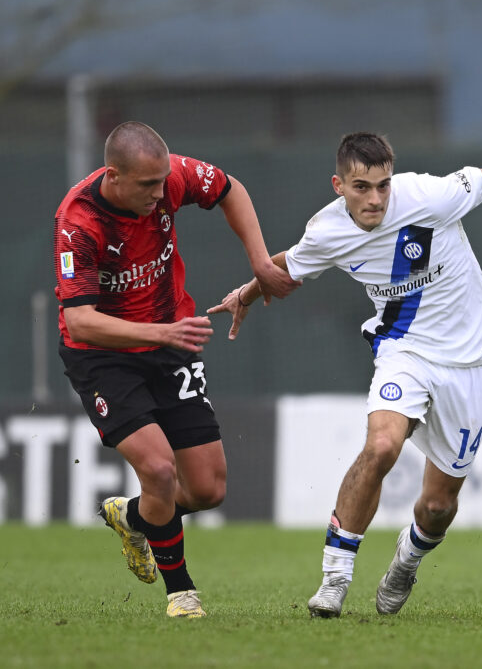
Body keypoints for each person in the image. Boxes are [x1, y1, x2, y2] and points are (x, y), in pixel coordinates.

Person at [208, 132, 482, 617]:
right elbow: (289, 264)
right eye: (361, 187)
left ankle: (407, 560)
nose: (375, 198)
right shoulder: (327, 231)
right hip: (404, 351)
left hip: (472, 358)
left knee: (438, 507)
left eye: (382, 185)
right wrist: (244, 296)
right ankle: (335, 577)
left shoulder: (427, 196)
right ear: (338, 186)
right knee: (381, 447)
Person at [53, 121, 298, 617]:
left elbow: (230, 188)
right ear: (114, 176)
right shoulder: (79, 224)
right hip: (105, 355)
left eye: (164, 181)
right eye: (148, 185)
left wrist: (259, 263)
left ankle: (133, 517)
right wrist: (158, 333)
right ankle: (181, 594)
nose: (161, 193)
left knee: (207, 489)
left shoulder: (168, 179)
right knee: (159, 469)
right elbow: (80, 322)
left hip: (170, 342)